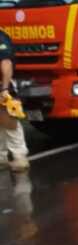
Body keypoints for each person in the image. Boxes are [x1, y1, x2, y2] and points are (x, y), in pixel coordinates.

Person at [0, 29, 29, 172]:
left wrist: (4, 89)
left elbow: (6, 63)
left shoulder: (1, 38)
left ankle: (19, 157)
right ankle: (2, 157)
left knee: (9, 122)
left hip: (2, 85)